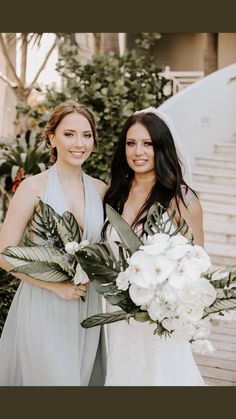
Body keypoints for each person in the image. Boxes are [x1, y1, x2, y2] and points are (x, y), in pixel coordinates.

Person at [0, 100, 107, 386]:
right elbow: (4, 254)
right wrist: (54, 285)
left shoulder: (101, 190)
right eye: (69, 134)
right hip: (44, 303)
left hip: (89, 307)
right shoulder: (33, 187)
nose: (79, 143)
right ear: (52, 138)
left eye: (87, 135)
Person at [102, 108, 206, 386]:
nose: (139, 151)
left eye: (148, 143)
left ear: (162, 147)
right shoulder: (116, 193)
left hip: (159, 317)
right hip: (117, 315)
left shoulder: (182, 199)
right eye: (131, 143)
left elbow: (197, 264)